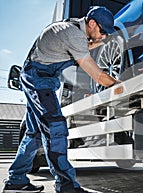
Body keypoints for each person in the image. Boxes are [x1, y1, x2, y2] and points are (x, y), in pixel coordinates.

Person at [2, 6, 118, 193]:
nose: (104, 36)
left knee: (34, 134)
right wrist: (122, 85)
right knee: (55, 128)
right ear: (92, 23)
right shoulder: (72, 34)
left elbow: (82, 46)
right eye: (102, 31)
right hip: (38, 80)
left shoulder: (72, 28)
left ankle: (16, 180)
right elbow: (99, 77)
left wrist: (101, 40)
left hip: (36, 78)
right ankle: (65, 185)